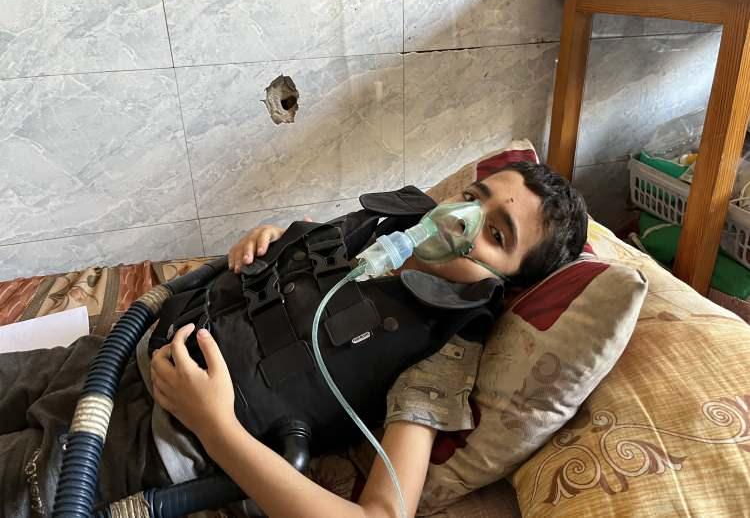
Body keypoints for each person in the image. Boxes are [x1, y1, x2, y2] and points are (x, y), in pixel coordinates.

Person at [0, 161, 587, 517]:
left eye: (495, 234)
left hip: (145, 442)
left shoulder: (442, 352)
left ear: (503, 283)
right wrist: (269, 244)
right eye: (476, 197)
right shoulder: (382, 229)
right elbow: (292, 286)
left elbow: (383, 513)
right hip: (106, 358)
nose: (460, 219)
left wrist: (216, 427)